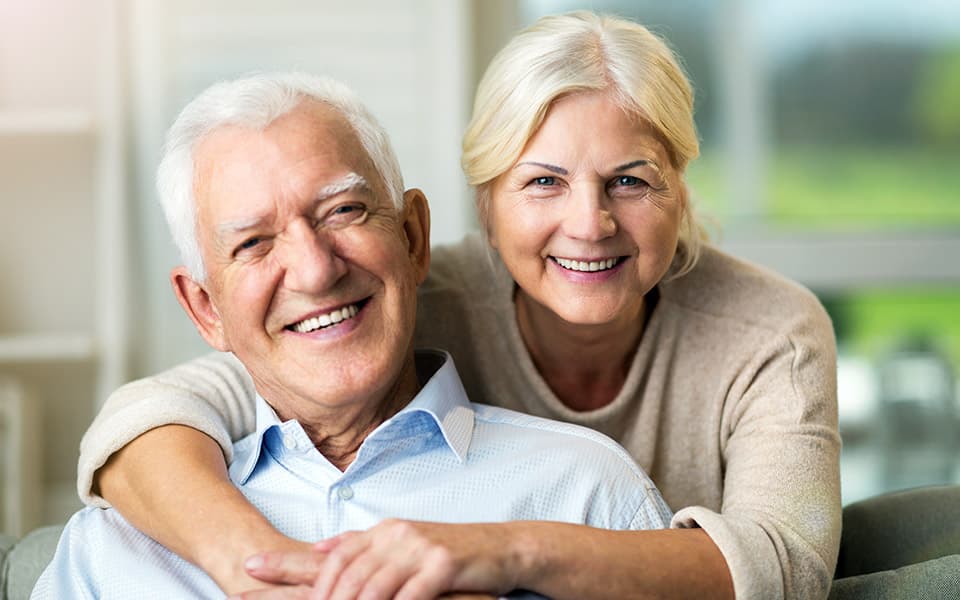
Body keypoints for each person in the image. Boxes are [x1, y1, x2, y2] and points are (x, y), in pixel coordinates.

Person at [77, 11, 841, 600]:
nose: (589, 223)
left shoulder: (766, 333)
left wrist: (505, 555)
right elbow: (165, 410)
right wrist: (263, 571)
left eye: (632, 180)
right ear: (485, 201)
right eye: (542, 181)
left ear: (680, 186)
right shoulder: (389, 295)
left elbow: (787, 564)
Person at [32, 71, 672, 599]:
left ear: (414, 238)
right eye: (254, 244)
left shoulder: (585, 494)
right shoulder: (113, 552)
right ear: (205, 310)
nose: (315, 269)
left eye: (343, 211)